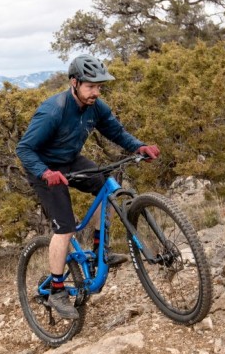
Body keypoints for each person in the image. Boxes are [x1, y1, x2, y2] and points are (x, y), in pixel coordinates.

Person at [15, 54, 160, 320]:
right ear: (74, 83)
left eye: (99, 86)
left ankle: (98, 250)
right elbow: (24, 149)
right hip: (45, 169)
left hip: (71, 161)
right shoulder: (54, 110)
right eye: (91, 86)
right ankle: (57, 288)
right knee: (65, 227)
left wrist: (139, 146)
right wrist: (45, 172)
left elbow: (116, 131)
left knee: (108, 189)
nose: (96, 91)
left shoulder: (97, 107)